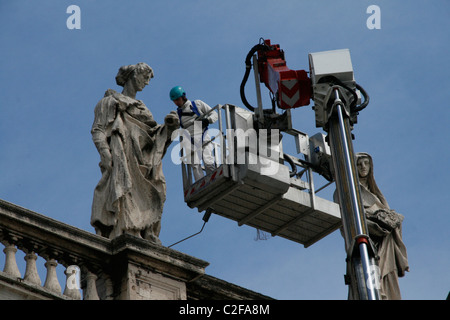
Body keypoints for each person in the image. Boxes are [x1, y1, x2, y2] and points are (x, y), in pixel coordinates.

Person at [90, 63, 179, 243]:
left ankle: (146, 231)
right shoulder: (110, 102)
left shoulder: (142, 109)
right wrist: (105, 152)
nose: (146, 83)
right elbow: (98, 130)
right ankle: (126, 230)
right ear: (132, 76)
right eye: (144, 77)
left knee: (156, 190)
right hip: (122, 153)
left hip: (143, 159)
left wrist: (169, 129)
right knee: (125, 190)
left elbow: (153, 137)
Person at [354, 152, 409, 299]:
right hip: (369, 243)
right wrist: (375, 221)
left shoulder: (377, 194)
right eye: (359, 164)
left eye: (366, 163)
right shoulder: (351, 192)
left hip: (386, 243)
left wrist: (392, 220)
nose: (363, 167)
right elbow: (351, 219)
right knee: (372, 279)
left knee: (387, 278)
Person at [170, 86, 218, 181]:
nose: (176, 102)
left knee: (208, 161)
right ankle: (202, 186)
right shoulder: (177, 114)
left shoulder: (197, 104)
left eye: (178, 99)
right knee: (195, 166)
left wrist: (208, 120)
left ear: (183, 96)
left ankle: (214, 180)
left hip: (201, 133)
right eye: (174, 100)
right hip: (188, 137)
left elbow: (214, 114)